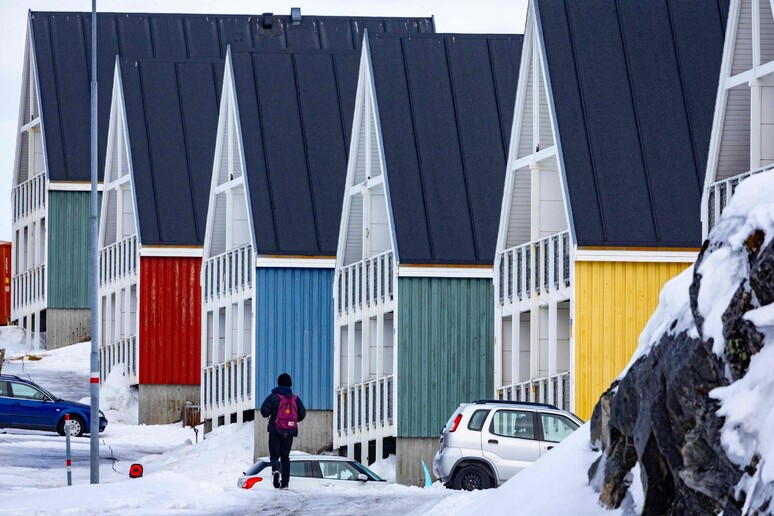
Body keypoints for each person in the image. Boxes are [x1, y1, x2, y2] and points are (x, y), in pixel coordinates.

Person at [260, 373, 306, 489]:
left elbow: (264, 412)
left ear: (278, 383)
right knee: (285, 456)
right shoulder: (295, 399)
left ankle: (276, 470)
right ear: (290, 384)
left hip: (275, 431)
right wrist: (291, 420)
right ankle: (285, 483)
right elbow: (302, 414)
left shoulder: (273, 397)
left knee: (275, 455)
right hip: (289, 431)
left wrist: (273, 414)